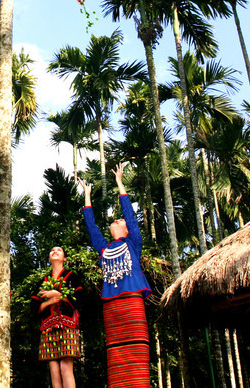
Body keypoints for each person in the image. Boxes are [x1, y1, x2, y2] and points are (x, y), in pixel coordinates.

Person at [80, 163, 152, 388]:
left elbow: (130, 215)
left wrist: (120, 183)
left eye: (120, 221)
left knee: (137, 352)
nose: (117, 220)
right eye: (117, 219)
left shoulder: (133, 243)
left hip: (132, 302)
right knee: (116, 354)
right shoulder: (104, 248)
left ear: (127, 229)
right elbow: (91, 227)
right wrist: (87, 195)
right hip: (112, 307)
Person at [30, 246, 83, 388]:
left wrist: (57, 294)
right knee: (54, 369)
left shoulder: (71, 276)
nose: (55, 252)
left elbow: (79, 299)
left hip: (67, 325)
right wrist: (49, 302)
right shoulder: (43, 281)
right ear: (49, 259)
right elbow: (34, 307)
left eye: (59, 251)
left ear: (64, 258)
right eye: (52, 250)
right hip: (48, 327)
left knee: (66, 367)